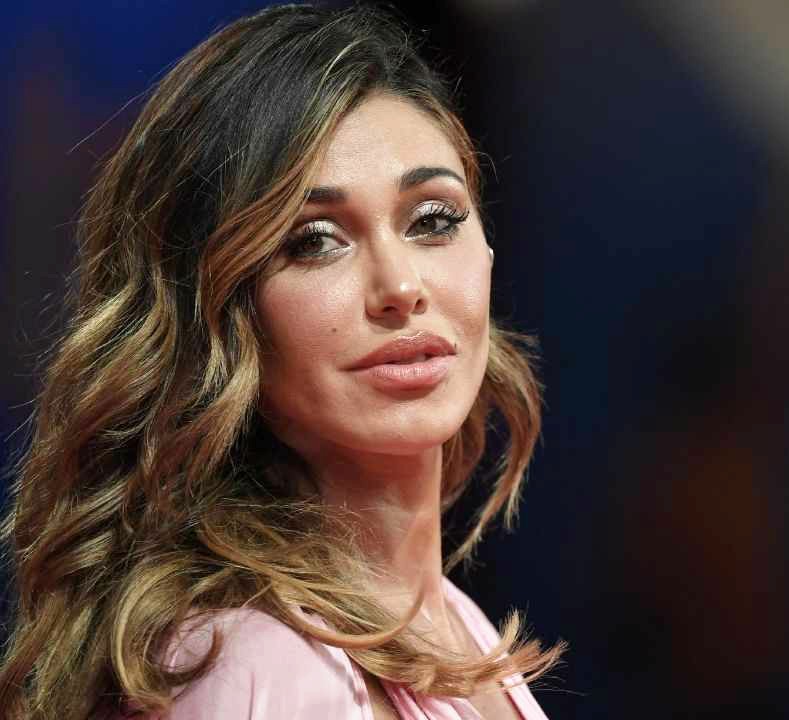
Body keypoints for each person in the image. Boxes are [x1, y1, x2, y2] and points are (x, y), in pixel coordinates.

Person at [0, 4, 562, 719]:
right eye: (314, 240)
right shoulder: (263, 667)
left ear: (486, 252)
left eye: (432, 220)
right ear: (218, 311)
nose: (400, 286)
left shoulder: (453, 624)